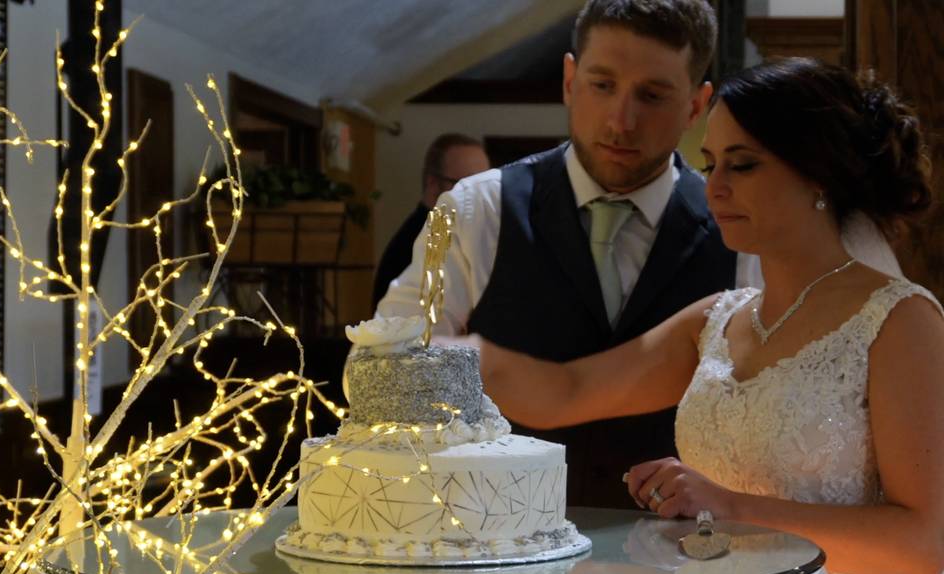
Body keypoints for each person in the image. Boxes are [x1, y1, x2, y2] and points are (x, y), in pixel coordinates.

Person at [478, 57, 943, 574]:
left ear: (818, 174)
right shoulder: (715, 320)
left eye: (743, 165)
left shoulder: (898, 319)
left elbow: (922, 545)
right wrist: (449, 356)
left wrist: (730, 507)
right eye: (710, 163)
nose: (715, 187)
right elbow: (568, 390)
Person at [375, 0, 900, 509]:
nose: (621, 120)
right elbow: (394, 366)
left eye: (652, 95)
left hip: (687, 569)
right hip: (495, 546)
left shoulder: (748, 234)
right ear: (569, 81)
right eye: (603, 86)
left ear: (696, 104)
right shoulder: (478, 208)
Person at [372, 133, 489, 306]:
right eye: (469, 186)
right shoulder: (419, 244)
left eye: (487, 186)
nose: (482, 197)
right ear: (433, 185)